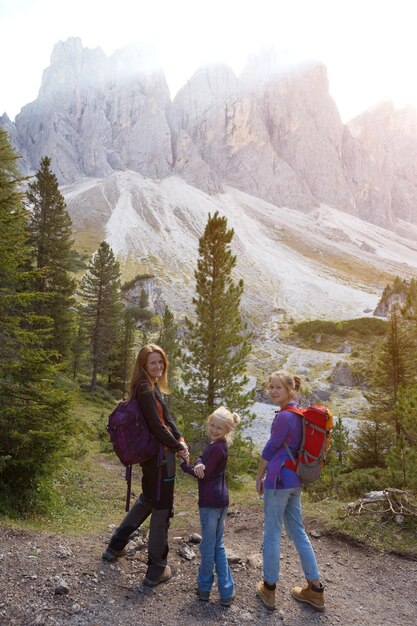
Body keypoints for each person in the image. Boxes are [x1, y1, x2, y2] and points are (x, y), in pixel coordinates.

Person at [102, 343, 189, 587]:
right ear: (143, 365)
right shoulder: (145, 389)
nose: (159, 366)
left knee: (148, 500)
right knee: (162, 508)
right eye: (153, 362)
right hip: (161, 460)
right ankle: (156, 569)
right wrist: (178, 448)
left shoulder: (148, 387)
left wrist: (180, 439)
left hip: (154, 458)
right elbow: (156, 427)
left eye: (161, 362)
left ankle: (115, 546)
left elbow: (167, 419)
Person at [255, 370, 325, 612]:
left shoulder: (284, 416)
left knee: (272, 533)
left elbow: (271, 447)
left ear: (290, 390)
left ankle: (269, 589)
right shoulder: (300, 414)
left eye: (278, 388)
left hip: (279, 481)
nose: (273, 391)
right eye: (271, 387)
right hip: (295, 480)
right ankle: (315, 590)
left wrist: (259, 475)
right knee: (298, 531)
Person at [180, 406, 240, 607]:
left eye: (219, 427)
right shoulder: (217, 444)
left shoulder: (216, 448)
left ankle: (204, 589)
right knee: (217, 545)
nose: (214, 430)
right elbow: (203, 461)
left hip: (210, 502)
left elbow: (203, 473)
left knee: (208, 547)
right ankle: (226, 591)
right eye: (212, 425)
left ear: (227, 430)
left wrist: (185, 465)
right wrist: (197, 462)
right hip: (221, 500)